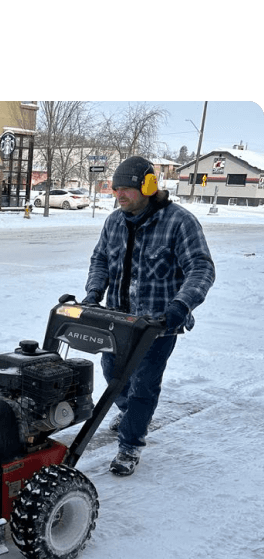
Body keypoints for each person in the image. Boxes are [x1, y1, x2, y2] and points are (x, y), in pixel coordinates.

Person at [84, 156, 215, 476]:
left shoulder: (179, 222)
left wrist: (180, 306)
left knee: (144, 384)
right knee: (113, 374)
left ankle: (130, 444)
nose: (119, 194)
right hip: (118, 320)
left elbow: (201, 268)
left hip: (158, 324)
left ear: (148, 186)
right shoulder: (114, 221)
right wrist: (93, 293)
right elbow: (100, 260)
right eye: (116, 189)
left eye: (126, 188)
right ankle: (132, 413)